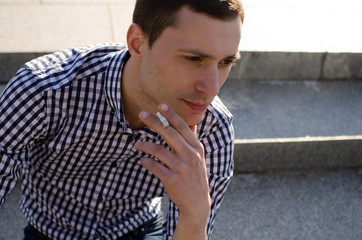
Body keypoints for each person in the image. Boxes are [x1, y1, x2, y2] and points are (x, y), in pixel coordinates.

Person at [0, 0, 244, 239]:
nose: (211, 89)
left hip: (140, 229)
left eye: (226, 62)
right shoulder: (46, 91)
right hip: (50, 231)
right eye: (193, 58)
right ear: (137, 44)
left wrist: (196, 215)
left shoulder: (212, 128)